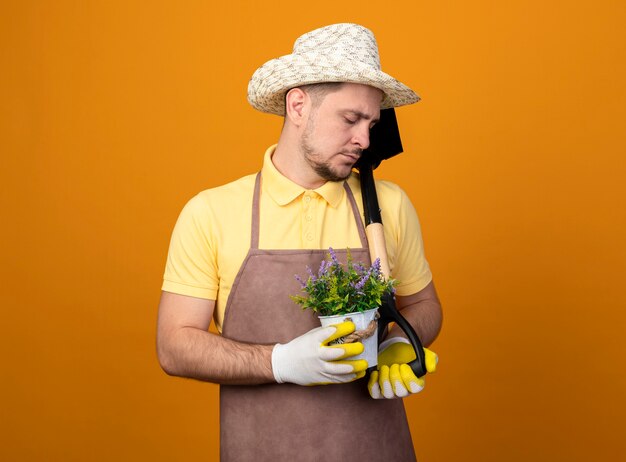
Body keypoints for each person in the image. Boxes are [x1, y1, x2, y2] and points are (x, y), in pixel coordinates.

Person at [157, 23, 442, 461]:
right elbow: (174, 346)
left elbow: (425, 307)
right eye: (350, 119)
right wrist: (281, 362)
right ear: (298, 105)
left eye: (371, 123)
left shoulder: (387, 205)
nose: (364, 140)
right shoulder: (211, 213)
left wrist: (399, 342)